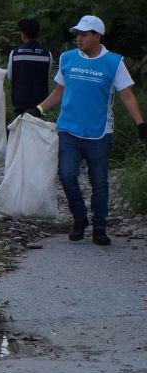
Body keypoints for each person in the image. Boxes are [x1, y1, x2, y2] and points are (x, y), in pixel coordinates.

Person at [25, 15, 147, 246]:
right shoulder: (68, 59)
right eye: (77, 34)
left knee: (99, 183)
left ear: (97, 36)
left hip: (99, 132)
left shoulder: (114, 62)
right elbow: (60, 90)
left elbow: (127, 95)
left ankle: (99, 228)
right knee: (67, 175)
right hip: (68, 129)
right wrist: (39, 109)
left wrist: (141, 124)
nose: (78, 38)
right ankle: (80, 218)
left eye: (83, 34)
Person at [7, 18, 53, 117]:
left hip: (20, 103)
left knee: (20, 130)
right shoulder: (47, 54)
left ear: (23, 35)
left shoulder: (15, 53)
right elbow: (46, 74)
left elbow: (10, 76)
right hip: (40, 105)